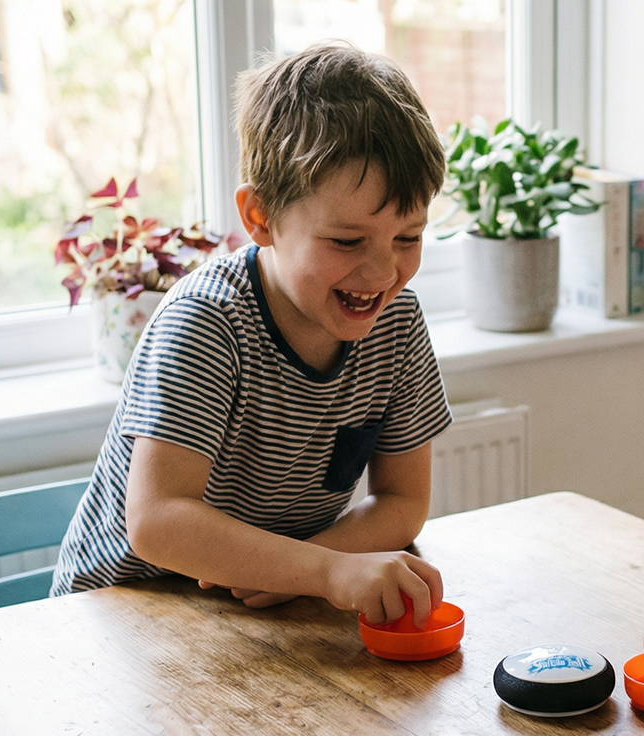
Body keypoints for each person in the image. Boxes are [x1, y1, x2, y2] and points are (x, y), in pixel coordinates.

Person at [52, 42, 452, 627]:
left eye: (408, 237)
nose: (382, 272)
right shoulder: (207, 323)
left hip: (255, 613)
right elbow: (158, 520)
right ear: (260, 218)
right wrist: (324, 573)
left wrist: (307, 566)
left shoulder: (396, 322)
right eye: (346, 241)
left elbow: (403, 502)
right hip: (122, 615)